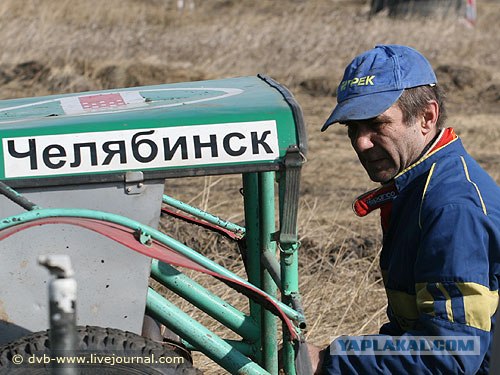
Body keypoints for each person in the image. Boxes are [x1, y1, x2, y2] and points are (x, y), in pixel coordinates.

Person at [314, 44, 500, 374]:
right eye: (353, 128)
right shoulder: (416, 186)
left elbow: (451, 356)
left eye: (377, 124)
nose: (361, 142)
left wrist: (331, 361)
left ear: (427, 116)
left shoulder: (452, 207)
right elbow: (415, 333)